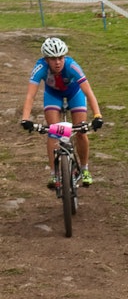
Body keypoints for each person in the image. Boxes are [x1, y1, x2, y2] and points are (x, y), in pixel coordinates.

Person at [21, 36, 103, 188]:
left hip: (74, 94)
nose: (57, 62)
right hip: (53, 95)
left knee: (81, 130)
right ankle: (54, 174)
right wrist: (25, 118)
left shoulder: (72, 66)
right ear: (46, 59)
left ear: (64, 56)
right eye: (53, 59)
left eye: (60, 58)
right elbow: (30, 95)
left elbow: (89, 92)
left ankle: (84, 169)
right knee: (54, 132)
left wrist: (98, 115)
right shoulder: (40, 68)